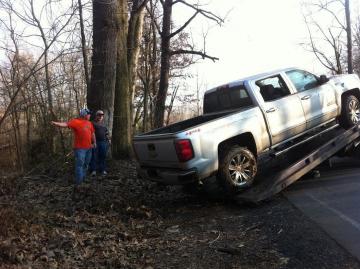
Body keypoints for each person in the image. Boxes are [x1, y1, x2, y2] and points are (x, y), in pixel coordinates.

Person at [51, 108, 96, 187]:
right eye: (89, 114)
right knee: (80, 165)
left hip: (89, 148)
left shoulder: (89, 123)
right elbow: (66, 124)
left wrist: (94, 142)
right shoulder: (75, 122)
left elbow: (92, 134)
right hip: (80, 149)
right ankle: (79, 183)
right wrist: (56, 123)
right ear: (84, 114)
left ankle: (83, 179)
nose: (90, 115)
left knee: (86, 164)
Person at [90, 110, 110, 176]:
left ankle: (103, 170)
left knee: (103, 156)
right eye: (99, 115)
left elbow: (106, 133)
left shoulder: (104, 124)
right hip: (94, 142)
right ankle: (93, 170)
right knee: (94, 156)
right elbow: (90, 133)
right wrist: (91, 142)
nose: (100, 116)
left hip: (103, 142)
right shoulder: (92, 123)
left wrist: (108, 139)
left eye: (102, 115)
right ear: (96, 115)